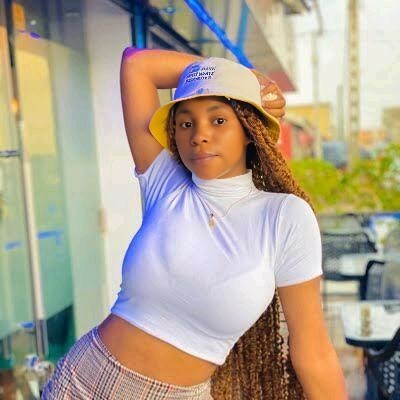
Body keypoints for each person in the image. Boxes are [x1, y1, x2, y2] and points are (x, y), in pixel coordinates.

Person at [42, 49, 348, 399]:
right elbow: (136, 65)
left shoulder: (284, 217)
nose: (199, 135)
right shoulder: (165, 182)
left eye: (218, 121)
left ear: (249, 129)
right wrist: (249, 77)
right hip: (83, 382)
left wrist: (240, 84)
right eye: (186, 123)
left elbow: (313, 351)